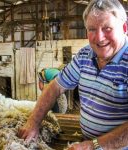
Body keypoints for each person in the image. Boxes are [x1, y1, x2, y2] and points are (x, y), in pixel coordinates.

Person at [18, 0, 128, 149]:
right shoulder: (84, 55)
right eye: (92, 29)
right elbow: (55, 86)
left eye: (107, 28)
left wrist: (93, 145)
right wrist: (33, 122)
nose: (99, 38)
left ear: (124, 27)